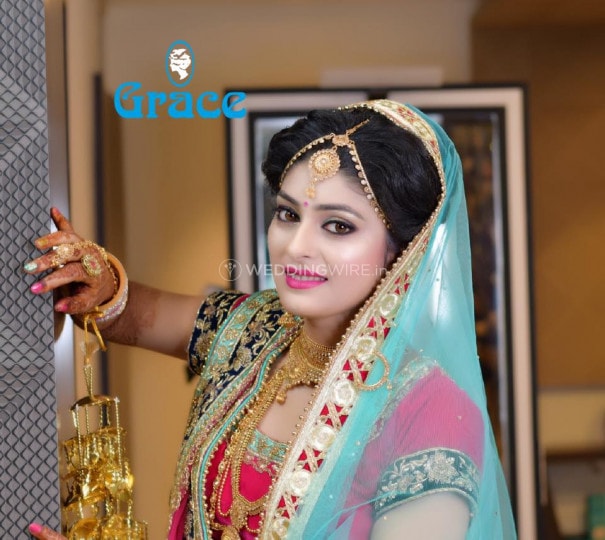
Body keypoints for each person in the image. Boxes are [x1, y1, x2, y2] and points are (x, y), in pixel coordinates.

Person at [25, 99, 516, 539]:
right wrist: (93, 276)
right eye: (288, 214)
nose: (296, 246)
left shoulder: (430, 412)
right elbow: (125, 311)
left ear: (403, 252)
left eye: (338, 225)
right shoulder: (254, 326)